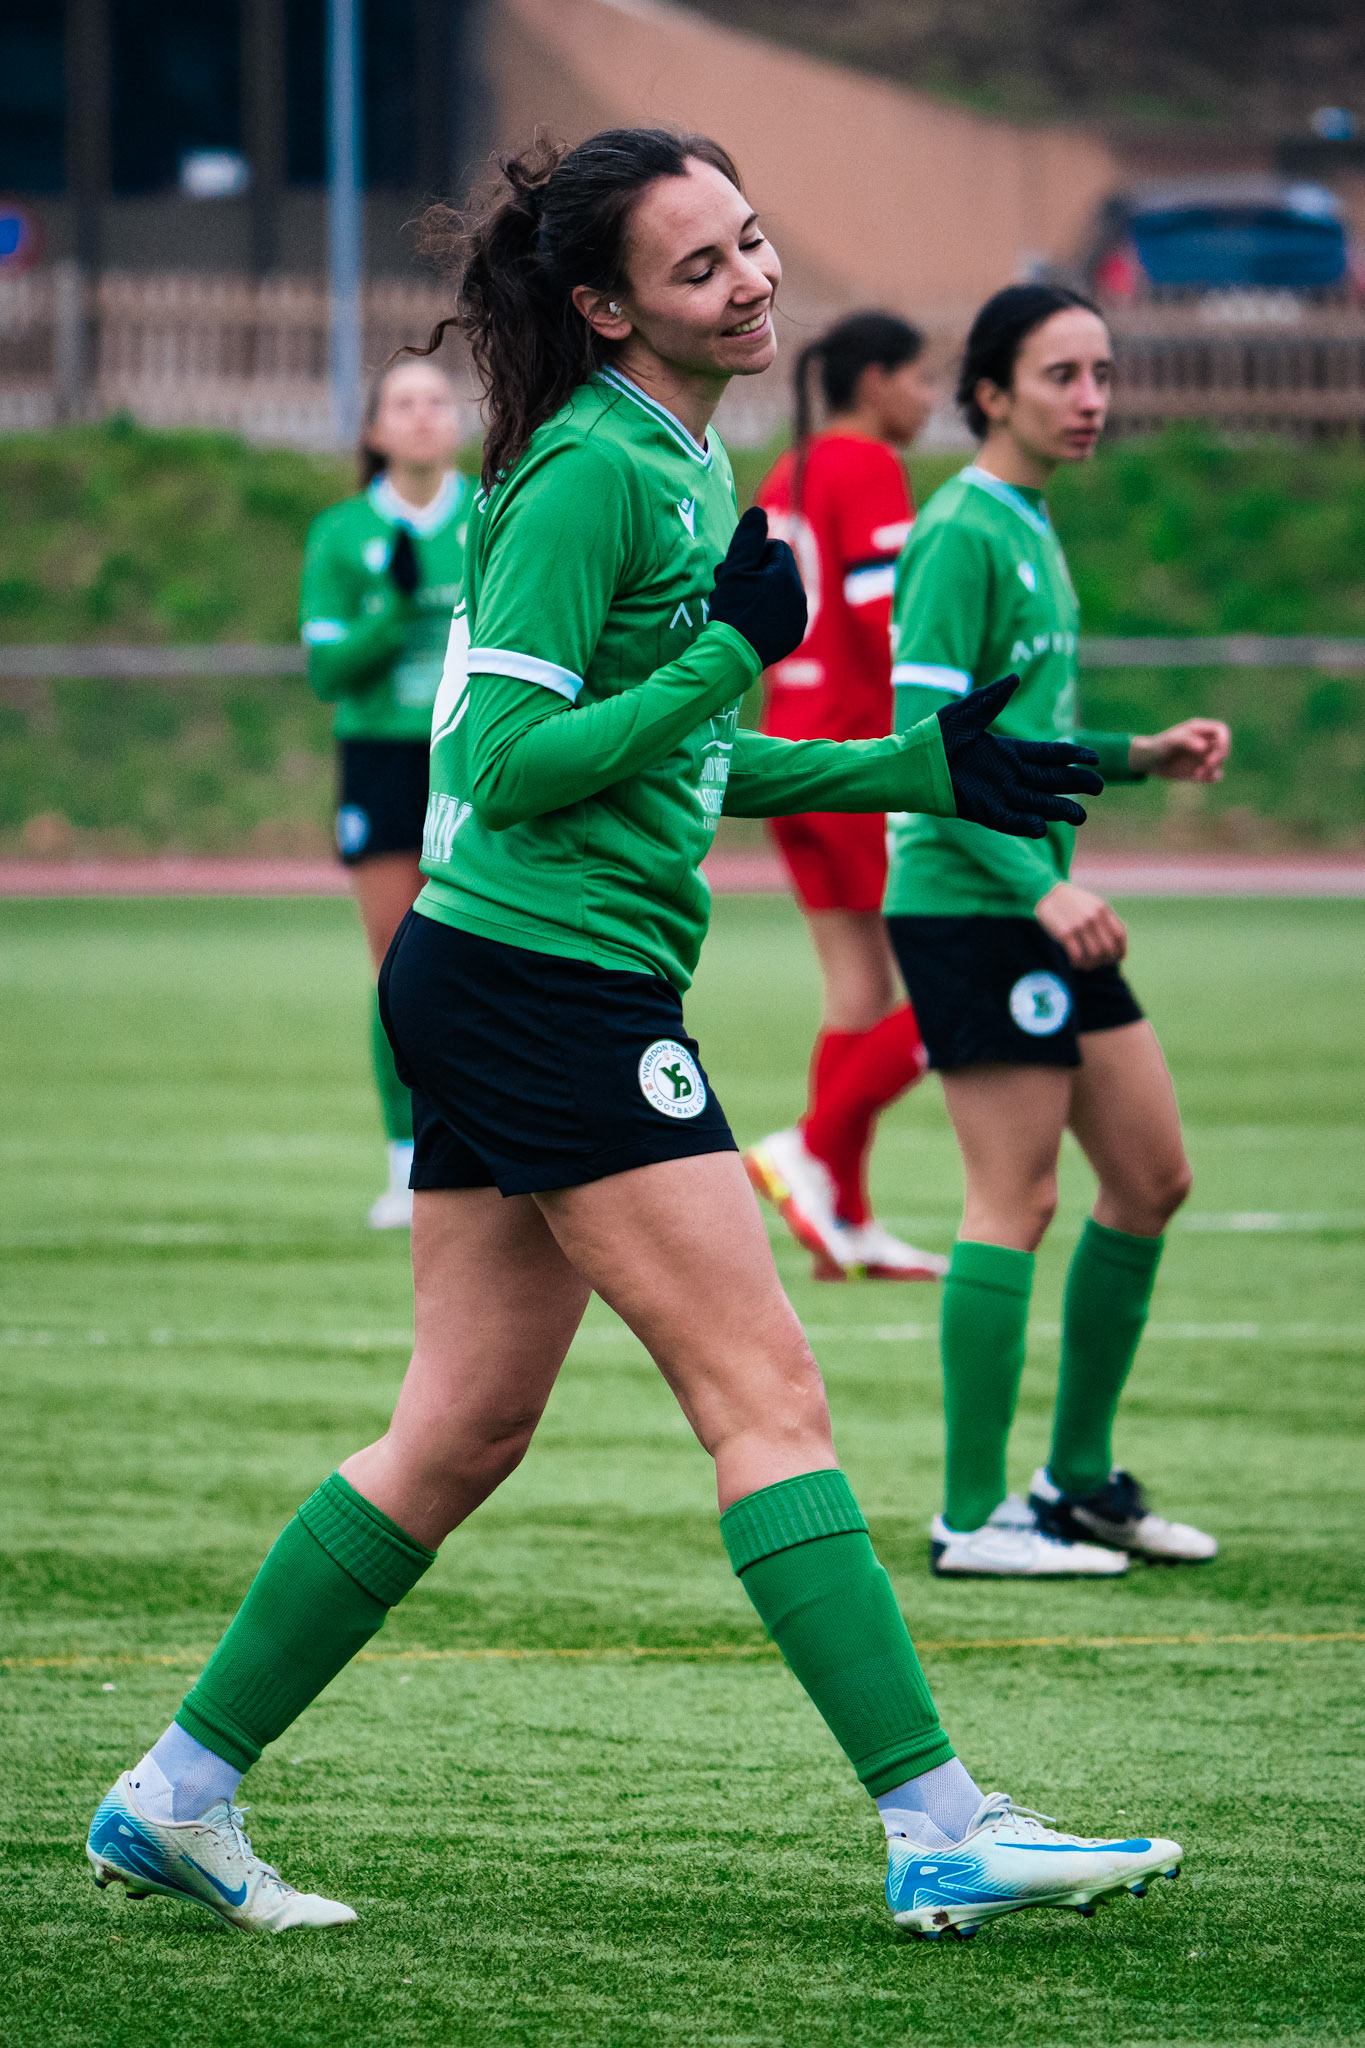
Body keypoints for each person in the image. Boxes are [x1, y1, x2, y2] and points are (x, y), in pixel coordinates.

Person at [87, 134, 1177, 1944]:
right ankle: (938, 1821)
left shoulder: (677, 448)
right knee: (767, 1396)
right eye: (699, 267)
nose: (751, 278)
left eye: (752, 239)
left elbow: (665, 753)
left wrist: (919, 763)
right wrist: (731, 656)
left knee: (455, 1428)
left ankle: (174, 1794)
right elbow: (502, 767)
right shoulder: (594, 467)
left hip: (517, 973)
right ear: (604, 307)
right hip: (542, 983)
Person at [883, 284, 1232, 1580]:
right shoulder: (959, 534)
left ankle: (1076, 1481)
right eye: (1061, 375)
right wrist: (1040, 887)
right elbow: (930, 761)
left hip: (1036, 902)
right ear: (990, 392)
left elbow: (1015, 746)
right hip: (973, 905)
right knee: (1013, 1198)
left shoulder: (1030, 522)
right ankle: (973, 1516)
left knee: (1151, 1178)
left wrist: (1137, 755)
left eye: (1100, 373)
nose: (1092, 399)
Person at [743, 313, 945, 1283]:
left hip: (787, 746)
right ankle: (811, 1150)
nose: (931, 397)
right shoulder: (867, 465)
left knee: (859, 985)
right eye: (921, 377)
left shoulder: (793, 469)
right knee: (964, 973)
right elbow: (884, 618)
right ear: (875, 381)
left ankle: (846, 1217)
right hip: (858, 756)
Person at [299, 357, 471, 1228]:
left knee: (485, 959)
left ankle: (488, 1143)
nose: (420, 416)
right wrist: (394, 614)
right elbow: (329, 669)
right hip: (381, 760)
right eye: (402, 403)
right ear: (374, 430)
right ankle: (407, 1159)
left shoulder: (491, 514)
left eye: (436, 401)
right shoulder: (340, 532)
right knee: (400, 966)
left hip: (475, 756)